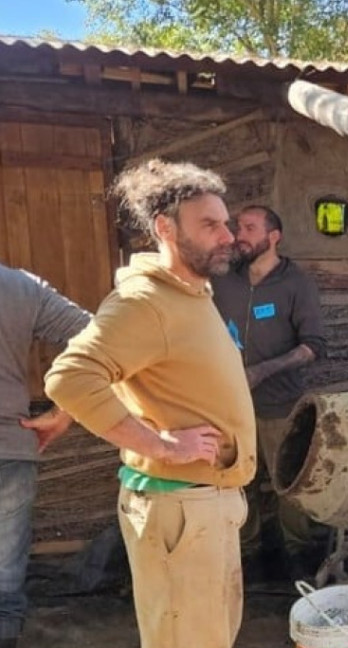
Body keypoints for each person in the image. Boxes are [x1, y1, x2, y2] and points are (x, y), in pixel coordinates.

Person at [45, 159, 253, 648]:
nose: (226, 236)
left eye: (225, 222)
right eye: (208, 224)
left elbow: (137, 378)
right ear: (165, 228)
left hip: (206, 506)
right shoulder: (145, 302)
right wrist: (161, 445)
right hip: (179, 507)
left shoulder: (191, 293)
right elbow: (71, 377)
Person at [212, 205, 327, 579]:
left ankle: (299, 557)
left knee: (287, 481)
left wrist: (263, 370)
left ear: (273, 236)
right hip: (230, 406)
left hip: (280, 404)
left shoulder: (296, 284)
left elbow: (313, 346)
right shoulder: (224, 280)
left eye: (248, 228)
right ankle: (248, 552)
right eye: (237, 226)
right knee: (237, 480)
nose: (238, 234)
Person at [0, 265, 90, 648]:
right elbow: (100, 338)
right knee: (3, 584)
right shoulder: (19, 286)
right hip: (11, 446)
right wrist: (67, 409)